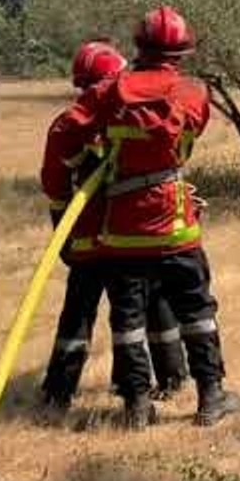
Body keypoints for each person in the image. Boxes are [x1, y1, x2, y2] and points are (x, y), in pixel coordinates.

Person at [41, 7, 240, 429]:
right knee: (197, 310)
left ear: (138, 46)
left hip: (124, 231)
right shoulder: (193, 93)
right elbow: (189, 134)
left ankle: (135, 406)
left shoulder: (110, 91)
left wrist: (73, 175)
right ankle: (211, 398)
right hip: (175, 225)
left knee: (127, 319)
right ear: (182, 52)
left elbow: (63, 133)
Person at [39, 39, 189, 418]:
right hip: (132, 233)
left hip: (89, 238)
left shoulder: (69, 124)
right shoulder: (129, 116)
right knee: (148, 304)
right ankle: (169, 378)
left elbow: (55, 183)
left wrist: (63, 231)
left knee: (80, 312)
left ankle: (59, 391)